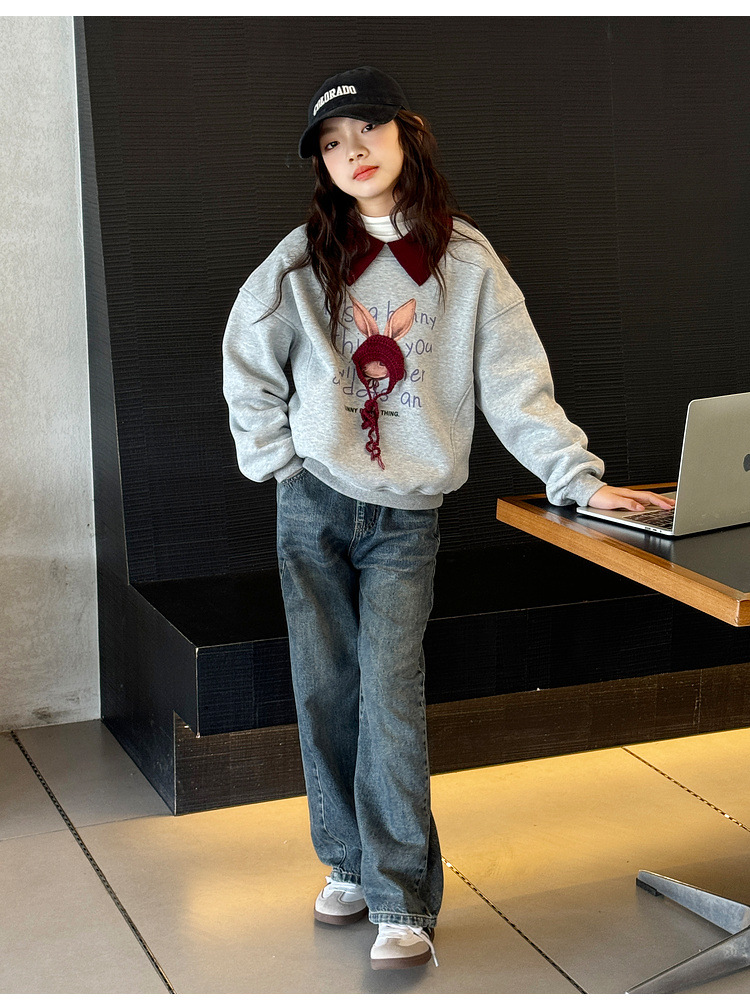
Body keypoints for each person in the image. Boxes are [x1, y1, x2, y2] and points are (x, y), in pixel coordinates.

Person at [222, 66, 674, 971]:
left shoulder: (464, 260)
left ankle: (399, 896)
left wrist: (578, 480)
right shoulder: (302, 259)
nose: (353, 153)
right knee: (324, 688)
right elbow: (247, 357)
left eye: (367, 132)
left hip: (406, 520)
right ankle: (347, 862)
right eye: (332, 144)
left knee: (389, 694)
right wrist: (276, 460)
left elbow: (515, 384)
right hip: (312, 502)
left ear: (407, 133)